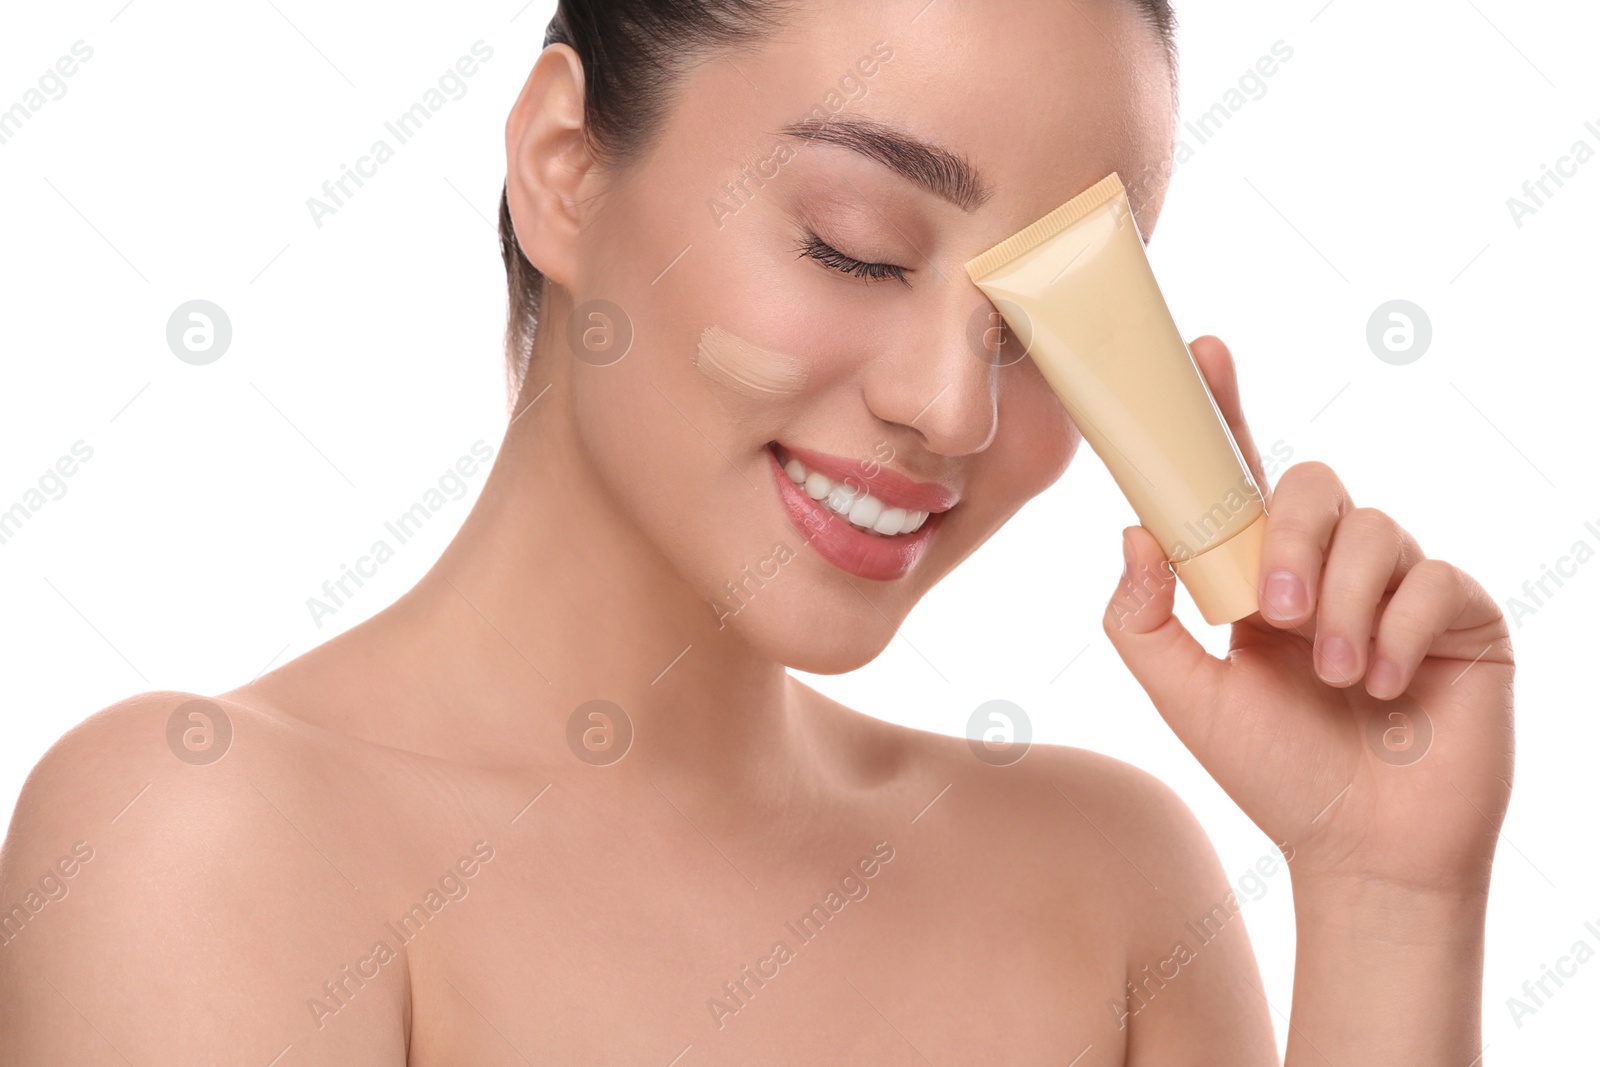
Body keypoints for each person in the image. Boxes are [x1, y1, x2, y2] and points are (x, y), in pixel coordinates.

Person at [0, 0, 1514, 1062]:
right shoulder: (204, 839)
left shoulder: (1110, 888)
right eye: (853, 246)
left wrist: (1390, 895)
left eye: (1051, 321)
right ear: (565, 170)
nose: (954, 409)